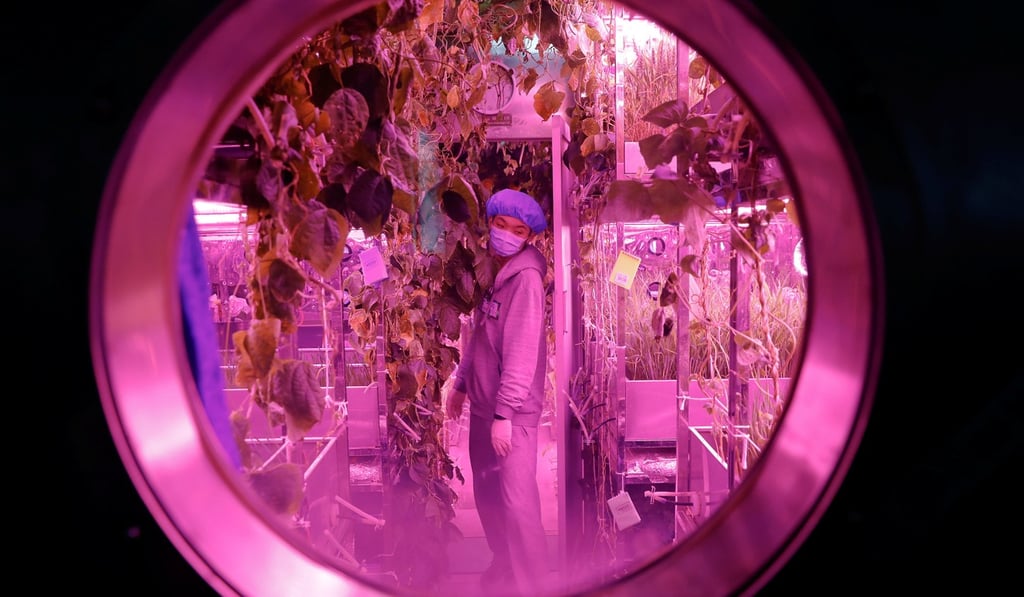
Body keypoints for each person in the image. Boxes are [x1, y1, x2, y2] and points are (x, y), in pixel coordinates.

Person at [446, 188, 550, 595]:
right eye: (500, 225)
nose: (506, 234)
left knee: (519, 506)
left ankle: (534, 585)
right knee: (489, 496)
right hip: (484, 409)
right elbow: (480, 336)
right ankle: (505, 568)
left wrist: (506, 416)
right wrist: (461, 384)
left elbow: (522, 353)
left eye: (517, 230)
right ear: (489, 224)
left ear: (529, 237)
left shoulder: (525, 280)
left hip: (510, 417)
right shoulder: (497, 272)